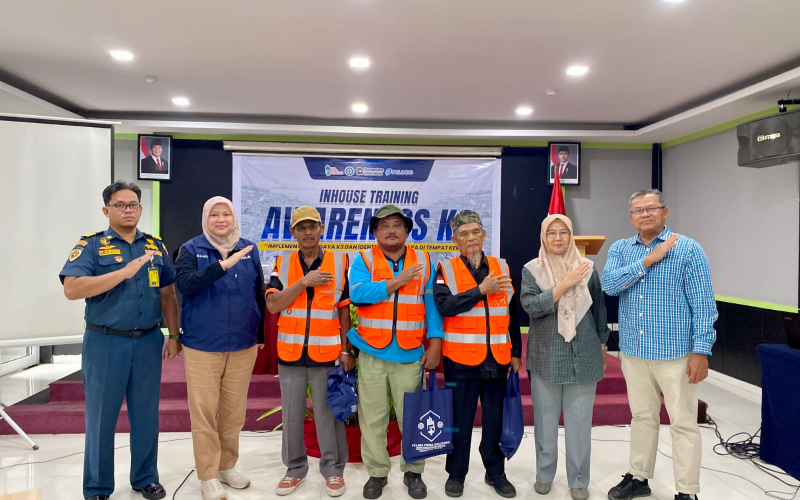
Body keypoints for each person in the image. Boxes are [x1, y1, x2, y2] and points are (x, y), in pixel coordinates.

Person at [60, 180, 181, 500]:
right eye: (121, 205)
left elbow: (168, 295)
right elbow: (72, 289)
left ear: (141, 209)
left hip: (147, 342)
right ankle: (98, 487)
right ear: (106, 210)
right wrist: (122, 273)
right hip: (105, 343)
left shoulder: (155, 246)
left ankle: (146, 478)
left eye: (134, 205)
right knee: (101, 417)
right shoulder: (92, 245)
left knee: (146, 415)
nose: (128, 210)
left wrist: (173, 335)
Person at [602, 189, 718, 500]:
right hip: (634, 352)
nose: (645, 214)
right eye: (638, 210)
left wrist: (701, 350)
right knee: (642, 416)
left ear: (665, 212)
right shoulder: (621, 248)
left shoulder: (689, 250)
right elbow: (609, 286)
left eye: (651, 208)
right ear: (630, 217)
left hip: (676, 354)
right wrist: (649, 260)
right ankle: (639, 477)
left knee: (682, 422)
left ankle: (687, 491)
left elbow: (704, 305)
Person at [348, 204, 444, 500]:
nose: (391, 230)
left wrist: (436, 342)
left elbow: (431, 306)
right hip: (372, 352)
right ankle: (377, 473)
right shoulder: (363, 259)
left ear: (407, 231)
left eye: (397, 225)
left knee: (413, 418)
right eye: (384, 225)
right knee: (373, 418)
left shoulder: (425, 260)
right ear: (374, 232)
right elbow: (357, 295)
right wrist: (395, 283)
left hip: (411, 353)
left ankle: (413, 471)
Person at [174, 196, 266, 500]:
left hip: (242, 344)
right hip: (203, 345)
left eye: (226, 214)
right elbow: (185, 285)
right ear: (205, 219)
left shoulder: (249, 249)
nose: (221, 219)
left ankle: (228, 466)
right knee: (203, 413)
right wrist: (222, 266)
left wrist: (260, 332)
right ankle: (208, 475)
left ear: (234, 217)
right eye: (215, 215)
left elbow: (258, 293)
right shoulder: (190, 249)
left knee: (233, 413)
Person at [521, 214, 609, 500]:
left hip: (583, 355)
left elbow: (599, 311)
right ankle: (545, 474)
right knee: (545, 422)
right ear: (544, 238)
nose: (557, 238)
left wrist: (603, 345)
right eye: (551, 233)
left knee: (580, 424)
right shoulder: (532, 270)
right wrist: (563, 285)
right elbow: (532, 306)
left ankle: (579, 480)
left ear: (571, 236)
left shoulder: (589, 268)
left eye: (563, 233)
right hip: (546, 357)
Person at [266, 206, 353, 498]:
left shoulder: (340, 262)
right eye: (301, 228)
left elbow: (344, 312)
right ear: (292, 233)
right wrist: (304, 282)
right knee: (291, 414)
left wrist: (345, 349)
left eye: (312, 226)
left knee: (328, 414)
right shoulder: (282, 262)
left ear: (321, 229)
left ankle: (332, 470)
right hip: (290, 353)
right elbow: (274, 304)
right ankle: (294, 469)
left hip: (326, 353)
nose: (307, 232)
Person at [434, 210, 521, 498]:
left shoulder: (502, 267)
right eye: (463, 234)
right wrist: (480, 290)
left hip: (497, 359)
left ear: (484, 235)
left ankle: (495, 472)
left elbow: (511, 312)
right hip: (460, 361)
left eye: (475, 232)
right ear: (454, 240)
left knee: (494, 421)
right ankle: (456, 474)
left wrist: (516, 351)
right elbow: (445, 307)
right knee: (459, 422)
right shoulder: (445, 270)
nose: (470, 238)